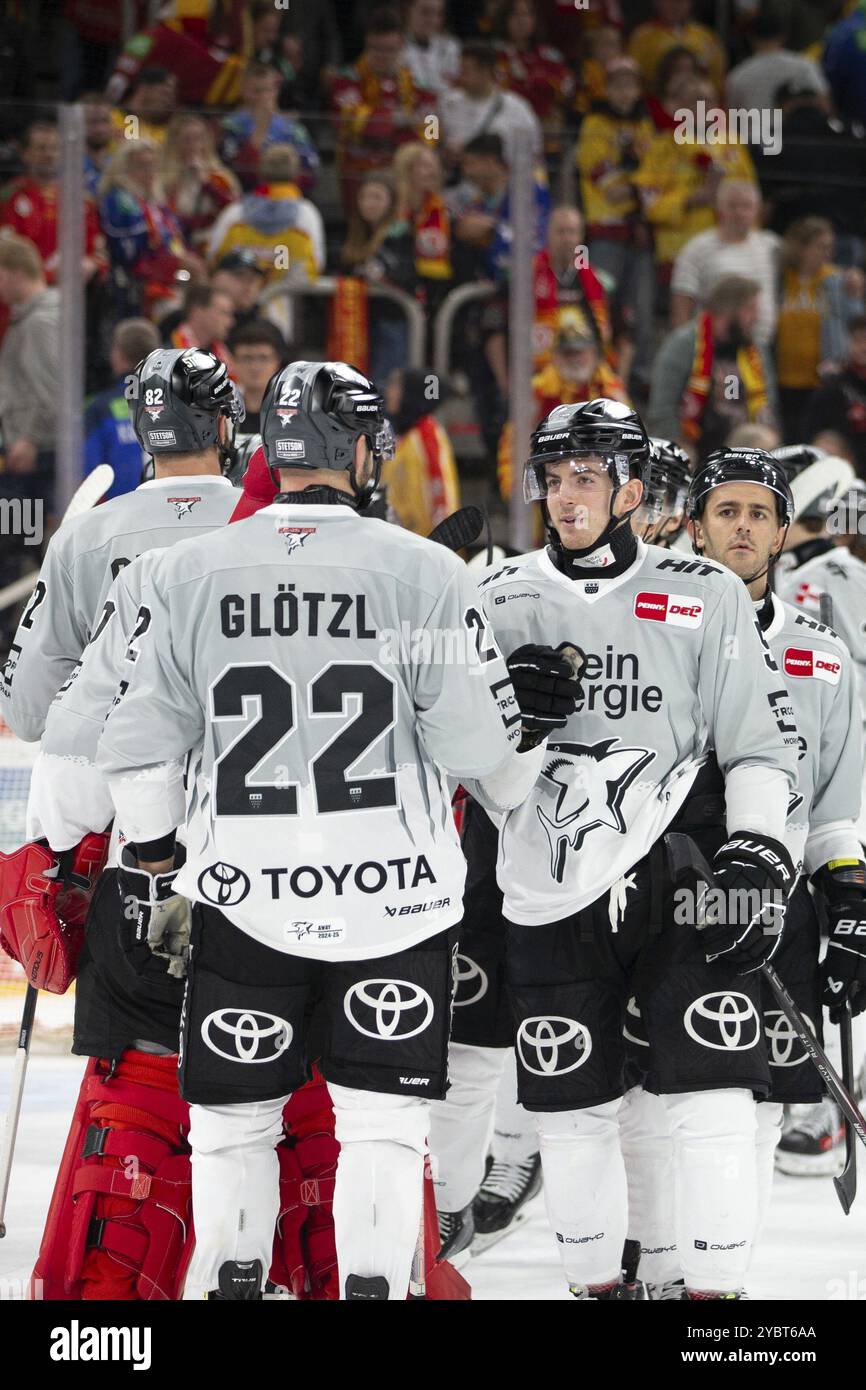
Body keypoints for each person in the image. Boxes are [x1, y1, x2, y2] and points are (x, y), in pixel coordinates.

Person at [93, 358, 570, 1300]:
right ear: (357, 448)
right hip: (396, 902)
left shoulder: (184, 571)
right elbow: (482, 751)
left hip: (244, 896)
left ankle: (231, 1283)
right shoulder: (427, 571)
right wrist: (529, 714)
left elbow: (140, 749)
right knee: (382, 1130)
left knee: (235, 1127)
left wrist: (154, 863)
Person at [451, 397, 801, 1300]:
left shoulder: (704, 593)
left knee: (713, 1098)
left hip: (684, 873)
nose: (565, 498)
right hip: (546, 887)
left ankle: (714, 1306)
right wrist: (511, 732)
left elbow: (760, 745)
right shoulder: (497, 598)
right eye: (554, 479)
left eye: (587, 479)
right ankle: (597, 1289)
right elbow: (477, 781)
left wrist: (759, 854)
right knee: (571, 1114)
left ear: (633, 489)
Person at [576, 56, 655, 393]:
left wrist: (634, 180)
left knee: (641, 307)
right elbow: (602, 180)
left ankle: (639, 375)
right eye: (618, 84)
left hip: (641, 232)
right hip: (605, 232)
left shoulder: (645, 125)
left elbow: (657, 177)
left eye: (631, 84)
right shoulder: (594, 123)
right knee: (601, 302)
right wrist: (636, 179)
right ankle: (600, 366)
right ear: (607, 88)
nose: (625, 92)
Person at [634, 74, 757, 280]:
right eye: (698, 100)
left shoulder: (732, 144)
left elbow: (752, 197)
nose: (706, 106)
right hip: (680, 250)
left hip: (729, 250)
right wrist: (689, 199)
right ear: (678, 106)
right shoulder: (662, 147)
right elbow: (648, 203)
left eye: (711, 100)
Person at [647, 275, 779, 455]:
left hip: (743, 442)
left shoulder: (757, 350)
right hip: (695, 440)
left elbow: (769, 407)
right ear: (727, 311)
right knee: (682, 454)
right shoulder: (682, 345)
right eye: (750, 309)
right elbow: (662, 411)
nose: (756, 318)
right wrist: (677, 446)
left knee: (764, 438)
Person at [331, 8, 436, 208]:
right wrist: (401, 120)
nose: (383, 56)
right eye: (376, 48)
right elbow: (351, 124)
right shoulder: (346, 80)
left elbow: (432, 130)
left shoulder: (418, 85)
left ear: (402, 47)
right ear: (366, 46)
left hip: (405, 171)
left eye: (390, 49)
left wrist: (379, 122)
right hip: (360, 171)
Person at [775, 219, 866, 442]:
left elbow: (855, 324)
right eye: (821, 246)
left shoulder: (837, 280)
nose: (828, 252)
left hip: (822, 379)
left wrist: (855, 291)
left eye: (830, 246)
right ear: (801, 248)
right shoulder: (780, 279)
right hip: (783, 379)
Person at [98, 139, 205, 320]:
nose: (149, 173)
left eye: (153, 166)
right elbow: (130, 256)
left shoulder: (156, 203)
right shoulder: (120, 200)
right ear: (123, 168)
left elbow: (177, 241)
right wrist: (176, 265)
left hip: (172, 281)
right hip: (139, 289)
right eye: (141, 166)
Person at [670, 180, 779, 346]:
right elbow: (681, 306)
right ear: (719, 209)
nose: (740, 213)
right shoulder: (697, 248)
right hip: (712, 348)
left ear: (757, 210)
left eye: (746, 206)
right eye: (732, 206)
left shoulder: (770, 246)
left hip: (760, 351)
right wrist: (682, 348)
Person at [0, 116, 105, 286]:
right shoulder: (9, 197)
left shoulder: (80, 200)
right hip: (26, 291)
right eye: (41, 149)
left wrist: (91, 264)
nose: (49, 155)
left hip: (75, 292)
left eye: (54, 149)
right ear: (25, 154)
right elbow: (7, 254)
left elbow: (97, 250)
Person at [206, 144, 325, 286]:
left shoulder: (235, 212)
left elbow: (213, 258)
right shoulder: (307, 214)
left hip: (234, 299)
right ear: (296, 175)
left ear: (260, 173)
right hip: (282, 301)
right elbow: (316, 265)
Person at [0, 235, 61, 509]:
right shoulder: (30, 318)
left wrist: (29, 440)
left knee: (21, 539)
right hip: (32, 447)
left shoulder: (39, 323)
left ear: (18, 272)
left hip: (35, 452)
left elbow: (51, 389)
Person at [83, 317, 161, 501]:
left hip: (116, 516)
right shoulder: (175, 402)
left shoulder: (99, 408)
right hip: (165, 511)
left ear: (118, 353)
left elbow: (89, 473)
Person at [438, 40, 542, 172]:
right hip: (455, 183)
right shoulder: (445, 102)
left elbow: (533, 150)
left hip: (499, 183)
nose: (460, 76)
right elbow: (430, 137)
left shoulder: (517, 109)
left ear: (485, 71)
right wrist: (442, 146)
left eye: (466, 71)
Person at [218, 61, 319, 194]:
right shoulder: (231, 126)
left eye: (268, 90)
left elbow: (310, 174)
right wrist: (260, 130)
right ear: (243, 90)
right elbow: (232, 172)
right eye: (256, 91)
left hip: (286, 198)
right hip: (245, 199)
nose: (263, 97)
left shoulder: (293, 129)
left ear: (276, 91)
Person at [380, 365, 460, 535]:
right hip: (401, 544)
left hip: (425, 547)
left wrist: (442, 542)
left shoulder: (427, 433)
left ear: (411, 393)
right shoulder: (403, 438)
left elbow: (440, 491)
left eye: (396, 386)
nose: (389, 393)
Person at [725, 1, 828, 118]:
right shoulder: (805, 66)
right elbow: (825, 105)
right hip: (799, 134)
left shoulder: (737, 76)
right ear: (783, 35)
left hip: (754, 134)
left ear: (751, 37)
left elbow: (731, 121)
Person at [161, 114, 240, 256]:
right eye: (187, 139)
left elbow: (233, 209)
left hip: (212, 240)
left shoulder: (220, 176)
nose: (194, 145)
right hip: (177, 243)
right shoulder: (163, 177)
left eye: (198, 138)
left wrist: (206, 183)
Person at [493, 0, 573, 135]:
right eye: (515, 15)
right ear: (504, 18)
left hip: (546, 127)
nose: (521, 21)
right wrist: (540, 87)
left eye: (527, 15)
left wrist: (527, 81)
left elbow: (566, 89)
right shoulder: (495, 55)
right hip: (505, 125)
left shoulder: (550, 56)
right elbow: (501, 92)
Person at [802, 315, 866, 478]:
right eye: (858, 341)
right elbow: (812, 435)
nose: (863, 347)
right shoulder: (833, 386)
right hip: (843, 471)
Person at [628, 0, 726, 92]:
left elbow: (717, 81)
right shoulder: (642, 37)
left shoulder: (705, 36)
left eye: (680, 1)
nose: (675, 6)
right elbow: (634, 80)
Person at [227, 319, 287, 434]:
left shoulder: (291, 415)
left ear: (277, 362)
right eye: (247, 358)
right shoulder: (223, 415)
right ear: (233, 362)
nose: (255, 367)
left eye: (263, 358)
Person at [167, 284, 236, 368]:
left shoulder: (223, 355)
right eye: (224, 313)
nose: (231, 322)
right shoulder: (169, 355)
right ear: (198, 312)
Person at [401, 0, 461, 94]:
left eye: (438, 14)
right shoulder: (394, 49)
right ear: (408, 11)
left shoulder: (451, 47)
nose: (433, 20)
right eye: (425, 12)